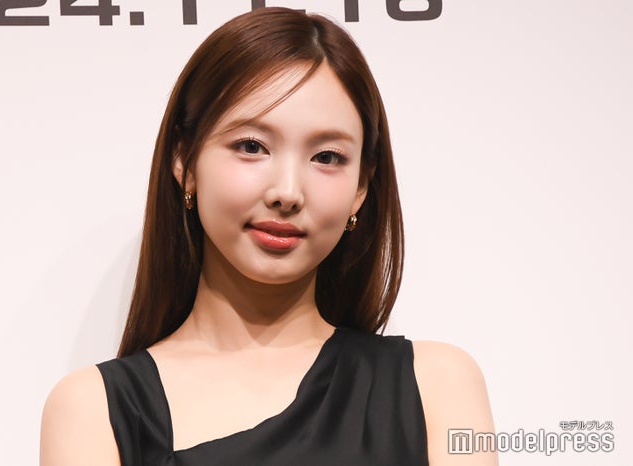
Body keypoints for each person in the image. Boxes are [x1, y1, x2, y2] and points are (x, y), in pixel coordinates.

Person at [40, 7, 497, 466]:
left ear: (361, 186)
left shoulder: (439, 385)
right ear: (185, 160)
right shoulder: (94, 410)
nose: (287, 192)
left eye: (327, 157)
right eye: (251, 146)